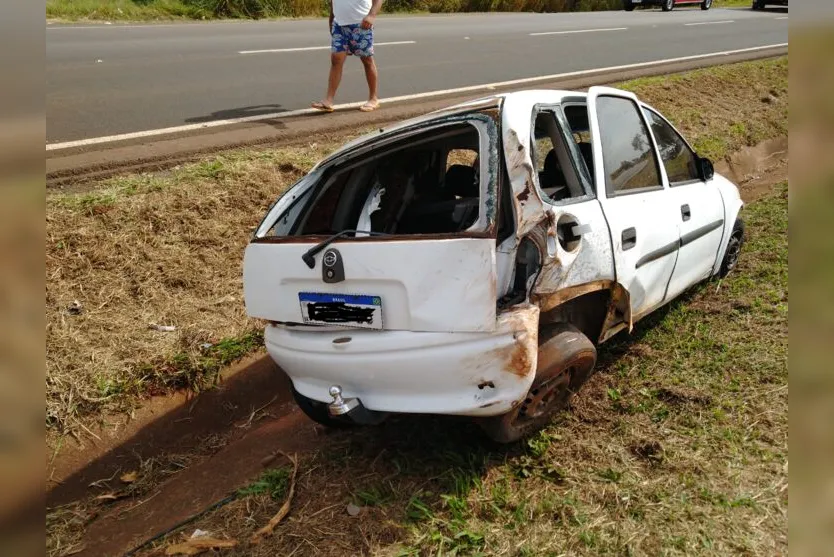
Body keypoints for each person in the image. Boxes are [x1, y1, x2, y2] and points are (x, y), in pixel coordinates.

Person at [311, 0, 383, 114]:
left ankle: (373, 98)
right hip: (339, 24)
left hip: (361, 24)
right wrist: (331, 21)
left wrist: (371, 15)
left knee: (367, 60)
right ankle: (328, 101)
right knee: (336, 60)